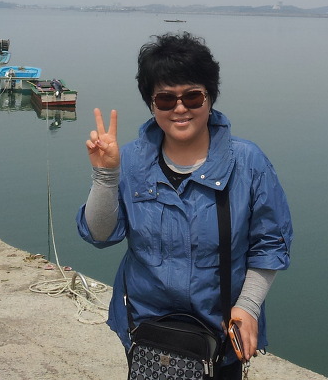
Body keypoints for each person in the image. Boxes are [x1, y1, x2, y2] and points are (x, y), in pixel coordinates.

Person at [77, 32, 293, 379]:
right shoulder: (130, 160)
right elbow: (100, 234)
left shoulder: (248, 163)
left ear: (210, 97)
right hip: (145, 330)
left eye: (192, 97)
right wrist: (106, 175)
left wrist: (249, 306)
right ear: (151, 104)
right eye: (165, 99)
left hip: (220, 334)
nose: (180, 109)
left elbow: (270, 244)